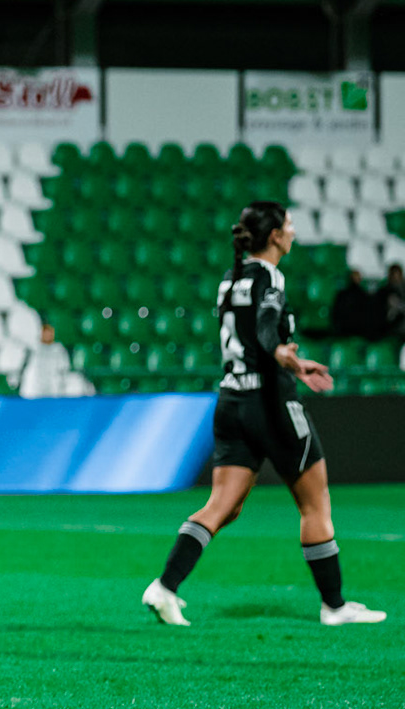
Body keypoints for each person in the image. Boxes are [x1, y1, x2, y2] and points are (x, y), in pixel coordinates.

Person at [142, 201, 384, 628]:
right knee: (315, 504)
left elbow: (251, 330)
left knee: (222, 506)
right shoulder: (269, 275)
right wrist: (285, 357)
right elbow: (267, 327)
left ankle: (164, 587)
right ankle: (334, 606)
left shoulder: (229, 278)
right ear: (274, 235)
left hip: (231, 401)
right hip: (270, 404)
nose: (293, 232)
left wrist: (283, 357)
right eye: (289, 225)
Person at [16, 322, 90, 398]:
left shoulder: (59, 349)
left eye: (50, 333)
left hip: (53, 388)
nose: (48, 335)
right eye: (45, 333)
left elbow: (64, 368)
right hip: (34, 388)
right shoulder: (32, 348)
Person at [328, 269, 378, 339]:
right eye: (354, 278)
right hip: (349, 331)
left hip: (354, 332)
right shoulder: (344, 295)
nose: (355, 280)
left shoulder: (363, 296)